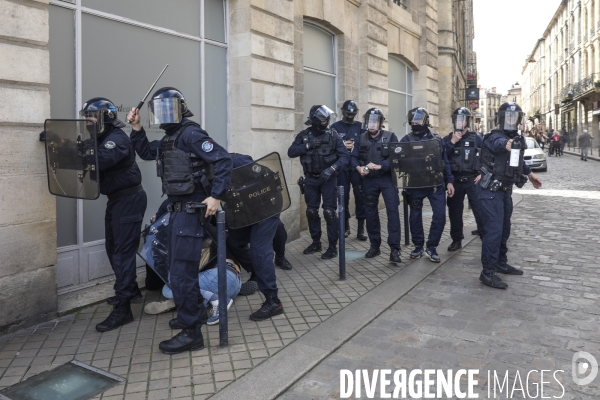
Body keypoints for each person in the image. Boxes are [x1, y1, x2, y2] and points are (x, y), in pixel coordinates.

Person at [128, 87, 232, 354]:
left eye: (168, 109)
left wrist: (216, 196)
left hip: (190, 212)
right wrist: (138, 128)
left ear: (181, 108)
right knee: (178, 271)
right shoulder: (171, 137)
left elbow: (223, 160)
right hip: (177, 212)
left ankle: (191, 333)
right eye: (159, 110)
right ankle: (193, 315)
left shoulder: (191, 134)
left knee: (183, 274)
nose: (163, 116)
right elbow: (147, 152)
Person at [66, 98, 149, 333]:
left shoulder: (117, 139)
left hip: (129, 200)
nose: (88, 121)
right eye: (87, 117)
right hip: (117, 200)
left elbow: (97, 159)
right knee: (113, 249)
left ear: (105, 118)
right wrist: (61, 142)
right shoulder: (102, 138)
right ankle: (130, 291)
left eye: (91, 117)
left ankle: (123, 310)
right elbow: (87, 149)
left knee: (122, 253)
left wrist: (68, 150)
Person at [477, 102, 542, 289]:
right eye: (508, 117)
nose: (511, 121)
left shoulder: (517, 139)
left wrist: (530, 175)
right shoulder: (493, 137)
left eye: (514, 117)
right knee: (494, 232)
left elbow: (518, 161)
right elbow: (498, 145)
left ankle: (500, 262)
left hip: (505, 192)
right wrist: (507, 145)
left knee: (504, 229)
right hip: (490, 192)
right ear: (501, 118)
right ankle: (487, 272)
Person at [225, 153, 286, 321]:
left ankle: (273, 301)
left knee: (260, 250)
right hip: (247, 210)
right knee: (234, 241)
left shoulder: (235, 161)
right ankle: (257, 273)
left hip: (268, 205)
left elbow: (269, 178)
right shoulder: (203, 169)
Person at [288, 105, 350, 259]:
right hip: (310, 179)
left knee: (329, 212)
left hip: (328, 179)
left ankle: (332, 247)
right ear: (315, 120)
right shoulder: (304, 135)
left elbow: (345, 157)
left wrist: (333, 169)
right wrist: (307, 145)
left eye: (327, 119)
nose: (326, 122)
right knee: (311, 212)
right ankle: (316, 242)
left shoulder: (333, 135)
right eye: (323, 119)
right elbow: (291, 152)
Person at [402, 107, 455, 263]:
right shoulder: (406, 140)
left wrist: (449, 181)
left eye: (418, 120)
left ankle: (431, 247)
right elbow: (400, 163)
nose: (415, 122)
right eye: (413, 120)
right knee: (415, 216)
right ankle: (418, 246)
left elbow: (444, 161)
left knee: (440, 216)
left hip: (435, 183)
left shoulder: (436, 140)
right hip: (416, 184)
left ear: (425, 121)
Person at [351, 108, 402, 263]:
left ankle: (394, 250)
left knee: (392, 212)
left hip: (386, 180)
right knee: (371, 214)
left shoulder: (390, 136)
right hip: (368, 181)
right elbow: (353, 157)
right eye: (369, 121)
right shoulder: (361, 138)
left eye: (375, 121)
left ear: (380, 123)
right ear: (366, 122)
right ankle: (374, 246)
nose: (372, 124)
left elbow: (397, 157)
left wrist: (381, 166)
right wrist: (358, 168)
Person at [443, 107, 483, 252]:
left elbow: (486, 156)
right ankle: (456, 240)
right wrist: (452, 142)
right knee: (454, 212)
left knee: (479, 209)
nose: (460, 122)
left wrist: (482, 173)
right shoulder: (448, 139)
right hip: (455, 180)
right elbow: (442, 159)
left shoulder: (476, 138)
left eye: (463, 119)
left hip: (473, 180)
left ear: (467, 121)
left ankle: (485, 235)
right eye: (457, 119)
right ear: (453, 121)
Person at [330, 100, 367, 241]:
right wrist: (342, 145)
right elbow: (330, 146)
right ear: (343, 112)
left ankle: (360, 228)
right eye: (347, 114)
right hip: (342, 167)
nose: (350, 116)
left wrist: (355, 145)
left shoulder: (361, 126)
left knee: (360, 197)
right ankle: (345, 226)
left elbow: (366, 144)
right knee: (343, 198)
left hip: (356, 167)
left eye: (352, 114)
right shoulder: (335, 127)